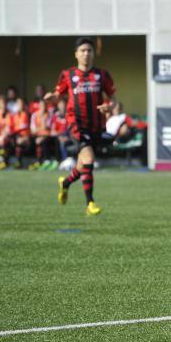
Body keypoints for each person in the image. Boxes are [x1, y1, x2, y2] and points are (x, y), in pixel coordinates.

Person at [44, 37, 116, 216]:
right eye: (82, 50)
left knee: (82, 165)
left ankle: (65, 183)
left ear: (93, 54)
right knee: (89, 159)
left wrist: (109, 106)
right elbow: (59, 92)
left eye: (89, 50)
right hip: (76, 124)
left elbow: (113, 98)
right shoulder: (68, 75)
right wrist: (52, 97)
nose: (86, 53)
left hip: (95, 125)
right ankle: (90, 203)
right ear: (76, 54)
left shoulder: (102, 75)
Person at [7, 97, 31, 168]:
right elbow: (11, 126)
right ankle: (5, 161)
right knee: (8, 139)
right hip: (17, 136)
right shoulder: (14, 115)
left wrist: (14, 130)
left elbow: (23, 126)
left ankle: (19, 162)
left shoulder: (26, 114)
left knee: (19, 141)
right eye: (18, 103)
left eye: (21, 103)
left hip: (26, 136)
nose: (20, 105)